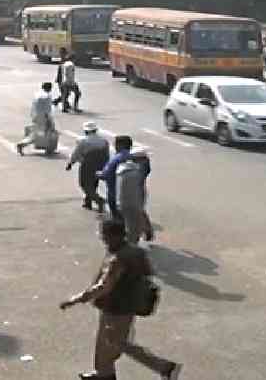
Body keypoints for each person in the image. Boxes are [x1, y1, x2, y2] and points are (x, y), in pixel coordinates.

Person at [59, 220, 181, 380]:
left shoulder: (118, 258)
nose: (102, 238)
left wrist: (75, 300)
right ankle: (104, 373)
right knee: (109, 342)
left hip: (117, 307)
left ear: (114, 236)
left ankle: (164, 367)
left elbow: (104, 286)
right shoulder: (135, 251)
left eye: (105, 235)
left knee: (117, 342)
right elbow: (148, 272)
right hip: (127, 304)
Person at [66, 121, 110, 212]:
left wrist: (70, 163)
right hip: (100, 165)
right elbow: (107, 155)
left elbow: (76, 154)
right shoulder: (104, 141)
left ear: (85, 131)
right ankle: (88, 202)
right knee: (93, 184)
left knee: (84, 184)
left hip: (87, 165)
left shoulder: (84, 141)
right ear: (95, 130)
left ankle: (99, 200)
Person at [116, 150, 153, 244]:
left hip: (130, 198)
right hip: (133, 197)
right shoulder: (135, 171)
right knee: (135, 219)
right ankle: (142, 234)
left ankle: (137, 238)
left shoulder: (130, 170)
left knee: (134, 220)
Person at [99, 136, 133, 220]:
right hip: (134, 194)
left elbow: (105, 174)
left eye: (115, 144)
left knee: (117, 220)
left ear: (120, 145)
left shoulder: (115, 159)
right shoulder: (134, 157)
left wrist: (98, 174)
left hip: (115, 195)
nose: (114, 146)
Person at [16, 82, 55, 155]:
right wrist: (49, 120)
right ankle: (22, 144)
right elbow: (47, 110)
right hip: (43, 117)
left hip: (35, 116)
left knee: (40, 132)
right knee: (47, 132)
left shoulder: (37, 94)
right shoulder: (47, 96)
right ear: (49, 88)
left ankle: (49, 148)